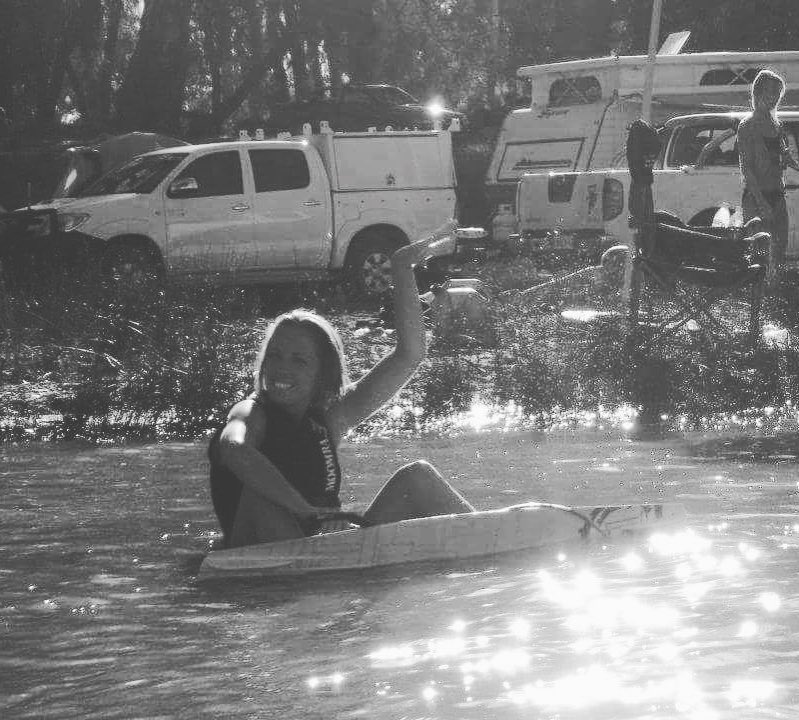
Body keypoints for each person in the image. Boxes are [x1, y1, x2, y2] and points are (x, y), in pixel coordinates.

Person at [208, 222, 475, 548]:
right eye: (275, 356)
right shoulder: (251, 412)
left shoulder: (332, 418)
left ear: (323, 375)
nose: (282, 369)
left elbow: (409, 356)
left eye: (299, 360)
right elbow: (234, 450)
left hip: (323, 553)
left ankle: (495, 545)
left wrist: (403, 267)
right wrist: (305, 511)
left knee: (417, 478)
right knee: (260, 497)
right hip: (261, 554)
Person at [737, 69, 799, 287]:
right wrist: (762, 204)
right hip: (756, 198)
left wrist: (788, 162)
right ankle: (756, 300)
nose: (774, 97)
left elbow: (784, 159)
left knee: (779, 251)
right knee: (759, 253)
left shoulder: (777, 125)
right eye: (770, 92)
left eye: (778, 93)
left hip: (777, 195)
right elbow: (747, 169)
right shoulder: (747, 126)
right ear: (758, 92)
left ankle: (774, 298)